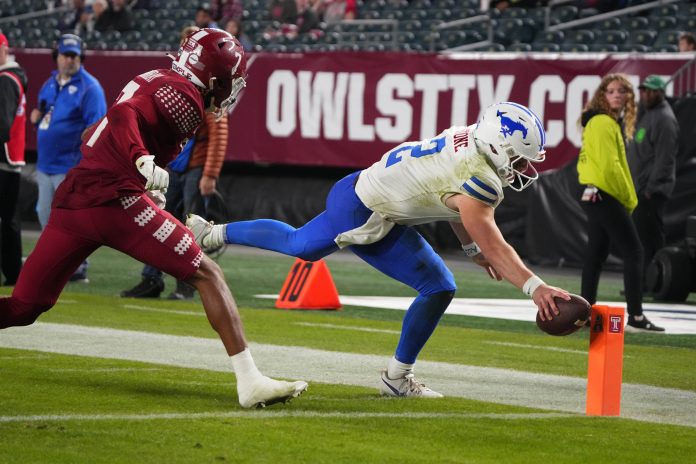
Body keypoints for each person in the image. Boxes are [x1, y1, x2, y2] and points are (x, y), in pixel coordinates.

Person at [0, 28, 307, 408]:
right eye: (232, 80)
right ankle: (250, 381)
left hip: (76, 200)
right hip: (115, 202)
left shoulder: (159, 78)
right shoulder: (186, 98)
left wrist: (141, 173)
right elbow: (122, 114)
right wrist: (138, 158)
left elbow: (90, 135)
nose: (232, 88)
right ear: (213, 77)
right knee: (207, 272)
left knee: (25, 307)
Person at [187, 101, 571, 398]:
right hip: (369, 212)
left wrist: (471, 248)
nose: (521, 167)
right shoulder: (480, 174)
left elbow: (456, 206)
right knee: (435, 286)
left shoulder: (469, 138)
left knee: (299, 243)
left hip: (361, 187)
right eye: (518, 157)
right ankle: (397, 379)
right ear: (497, 146)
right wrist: (535, 288)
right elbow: (492, 238)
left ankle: (212, 233)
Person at [121, 25, 229, 300]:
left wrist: (210, 174)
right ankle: (152, 278)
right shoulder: (173, 80)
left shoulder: (209, 85)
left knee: (189, 224)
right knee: (159, 222)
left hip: (193, 166)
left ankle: (188, 283)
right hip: (173, 165)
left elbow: (219, 133)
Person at [577, 73, 664, 333]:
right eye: (611, 91)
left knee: (595, 255)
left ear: (628, 97)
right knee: (634, 251)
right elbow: (611, 168)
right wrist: (629, 198)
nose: (617, 95)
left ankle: (586, 313)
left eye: (622, 91)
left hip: (593, 193)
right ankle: (636, 316)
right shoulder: (603, 122)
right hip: (605, 194)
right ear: (603, 95)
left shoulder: (599, 122)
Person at [30, 34, 107, 283]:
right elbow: (43, 112)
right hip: (45, 164)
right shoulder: (50, 83)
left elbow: (97, 129)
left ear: (81, 57)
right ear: (57, 57)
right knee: (44, 215)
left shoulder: (90, 87)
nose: (69, 60)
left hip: (69, 166)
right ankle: (56, 263)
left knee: (71, 220)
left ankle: (78, 266)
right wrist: (37, 118)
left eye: (74, 56)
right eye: (65, 55)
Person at [627, 75, 678, 278]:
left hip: (650, 192)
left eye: (650, 90)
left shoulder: (664, 119)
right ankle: (645, 280)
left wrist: (650, 189)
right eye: (643, 90)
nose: (645, 94)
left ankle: (655, 279)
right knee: (641, 238)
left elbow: (665, 159)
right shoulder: (649, 115)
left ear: (660, 92)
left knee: (650, 239)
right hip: (640, 189)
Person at [0, 32, 28, 286]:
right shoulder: (14, 78)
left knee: (7, 220)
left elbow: (3, 124)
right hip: (12, 159)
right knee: (8, 220)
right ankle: (12, 273)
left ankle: (12, 272)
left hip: (4, 159)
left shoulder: (6, 80)